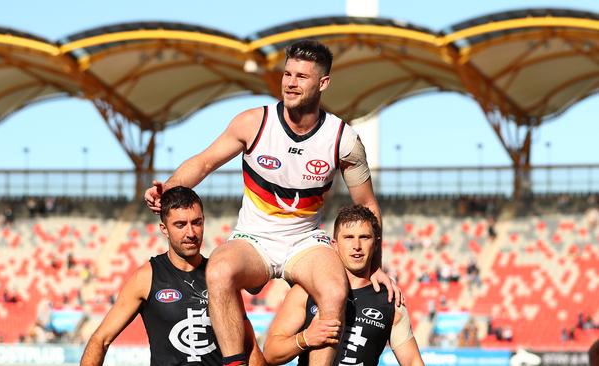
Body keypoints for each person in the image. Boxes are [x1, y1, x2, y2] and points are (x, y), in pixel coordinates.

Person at [144, 40, 401, 366]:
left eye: (302, 77)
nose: (291, 82)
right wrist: (168, 188)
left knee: (335, 291)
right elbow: (205, 162)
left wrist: (375, 265)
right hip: (254, 239)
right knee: (220, 270)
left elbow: (366, 205)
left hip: (305, 240)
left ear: (323, 84)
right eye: (287, 74)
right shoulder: (254, 123)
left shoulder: (343, 140)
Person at [80, 186, 264, 366]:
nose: (191, 233)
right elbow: (100, 340)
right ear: (164, 229)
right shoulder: (146, 277)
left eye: (196, 222)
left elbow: (250, 346)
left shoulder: (220, 276)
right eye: (180, 225)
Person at [263, 205, 424, 366]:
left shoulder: (389, 300)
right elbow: (270, 353)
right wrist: (305, 338)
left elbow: (412, 361)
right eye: (348, 237)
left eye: (365, 237)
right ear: (334, 244)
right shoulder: (305, 291)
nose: (357, 246)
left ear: (376, 244)